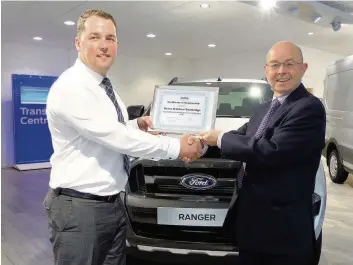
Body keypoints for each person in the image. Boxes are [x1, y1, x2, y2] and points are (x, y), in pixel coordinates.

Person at [43, 9, 202, 265]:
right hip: (81, 209)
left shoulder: (104, 87)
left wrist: (135, 124)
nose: (104, 45)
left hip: (112, 204)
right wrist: (176, 146)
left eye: (110, 38)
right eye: (95, 37)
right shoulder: (71, 87)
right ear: (78, 42)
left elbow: (110, 128)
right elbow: (115, 137)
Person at [198, 41, 326, 265]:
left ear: (303, 68)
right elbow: (239, 136)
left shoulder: (309, 107)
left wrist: (218, 138)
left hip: (284, 233)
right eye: (275, 65)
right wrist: (198, 144)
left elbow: (272, 151)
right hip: (253, 228)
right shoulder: (263, 109)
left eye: (289, 64)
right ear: (266, 70)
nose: (281, 71)